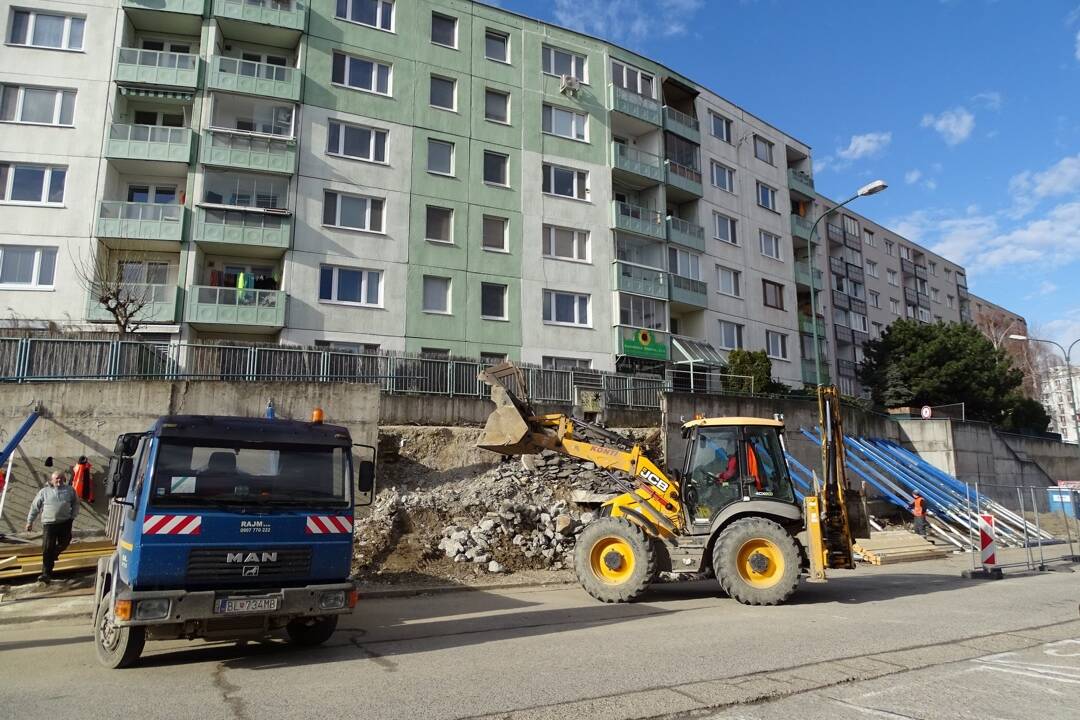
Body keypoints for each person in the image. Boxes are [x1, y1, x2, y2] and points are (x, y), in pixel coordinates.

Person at [25, 471, 79, 584]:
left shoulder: (70, 490)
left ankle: (54, 554)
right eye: (56, 479)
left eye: (60, 478)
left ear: (64, 479)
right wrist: (29, 522)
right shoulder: (44, 492)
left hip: (65, 522)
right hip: (49, 524)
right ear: (51, 480)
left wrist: (72, 516)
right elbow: (35, 507)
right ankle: (46, 574)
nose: (58, 481)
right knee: (47, 549)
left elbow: (75, 504)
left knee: (65, 542)